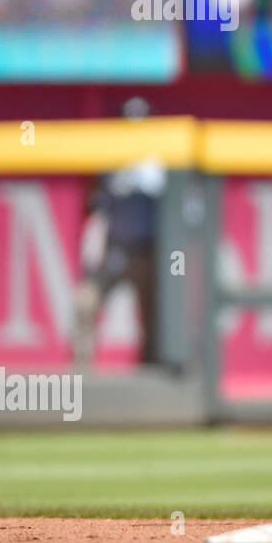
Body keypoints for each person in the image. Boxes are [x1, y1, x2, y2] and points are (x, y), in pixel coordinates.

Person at [72, 98, 167, 370]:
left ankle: (153, 374)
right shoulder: (109, 160)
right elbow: (97, 205)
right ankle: (81, 370)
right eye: (129, 126)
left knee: (156, 316)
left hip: (149, 252)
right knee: (85, 302)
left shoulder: (161, 162)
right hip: (115, 250)